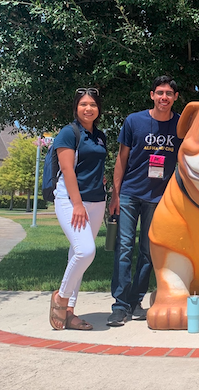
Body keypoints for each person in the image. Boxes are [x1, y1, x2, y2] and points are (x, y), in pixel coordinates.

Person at [107, 76, 182, 326]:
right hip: (129, 194)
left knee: (148, 252)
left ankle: (135, 301)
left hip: (159, 198)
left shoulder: (181, 126)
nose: (164, 97)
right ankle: (119, 305)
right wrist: (115, 194)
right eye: (160, 92)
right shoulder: (134, 121)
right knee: (124, 248)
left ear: (175, 97)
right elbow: (121, 159)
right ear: (152, 95)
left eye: (169, 93)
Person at [49, 87, 107, 330]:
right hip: (71, 200)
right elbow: (68, 170)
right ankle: (60, 298)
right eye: (83, 104)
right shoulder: (68, 133)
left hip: (97, 200)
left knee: (77, 256)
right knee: (85, 251)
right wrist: (77, 204)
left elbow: (94, 165)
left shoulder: (100, 135)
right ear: (76, 107)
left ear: (98, 109)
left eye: (93, 104)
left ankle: (69, 312)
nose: (88, 108)